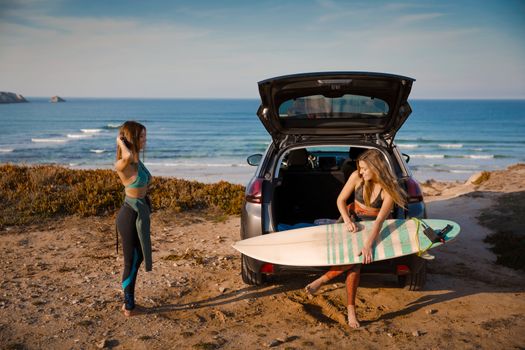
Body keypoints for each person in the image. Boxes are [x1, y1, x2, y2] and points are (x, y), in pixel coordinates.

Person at [305, 149, 406, 328]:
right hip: (350, 221)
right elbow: (340, 200)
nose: (361, 172)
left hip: (370, 227)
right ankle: (345, 305)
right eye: (360, 168)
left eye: (365, 169)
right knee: (353, 262)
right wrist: (346, 220)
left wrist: (368, 245)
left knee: (354, 265)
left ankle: (328, 289)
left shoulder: (388, 190)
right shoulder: (356, 177)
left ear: (377, 168)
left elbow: (379, 222)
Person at [115, 121, 153, 317]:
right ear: (132, 139)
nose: (145, 140)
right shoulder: (123, 163)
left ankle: (129, 302)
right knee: (131, 261)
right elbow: (127, 155)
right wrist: (122, 143)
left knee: (137, 259)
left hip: (139, 213)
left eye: (145, 136)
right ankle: (129, 306)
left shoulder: (137, 160)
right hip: (129, 216)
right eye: (141, 137)